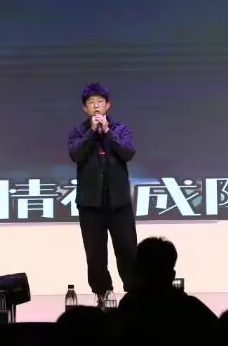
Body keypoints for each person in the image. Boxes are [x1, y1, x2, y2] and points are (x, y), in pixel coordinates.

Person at [68, 82, 137, 306]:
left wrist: (107, 132)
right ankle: (102, 293)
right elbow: (75, 154)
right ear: (85, 109)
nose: (96, 106)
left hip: (119, 204)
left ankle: (134, 294)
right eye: (91, 103)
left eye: (100, 102)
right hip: (90, 205)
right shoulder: (78, 132)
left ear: (108, 105)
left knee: (128, 250)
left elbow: (128, 152)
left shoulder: (120, 129)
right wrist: (91, 133)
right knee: (95, 254)